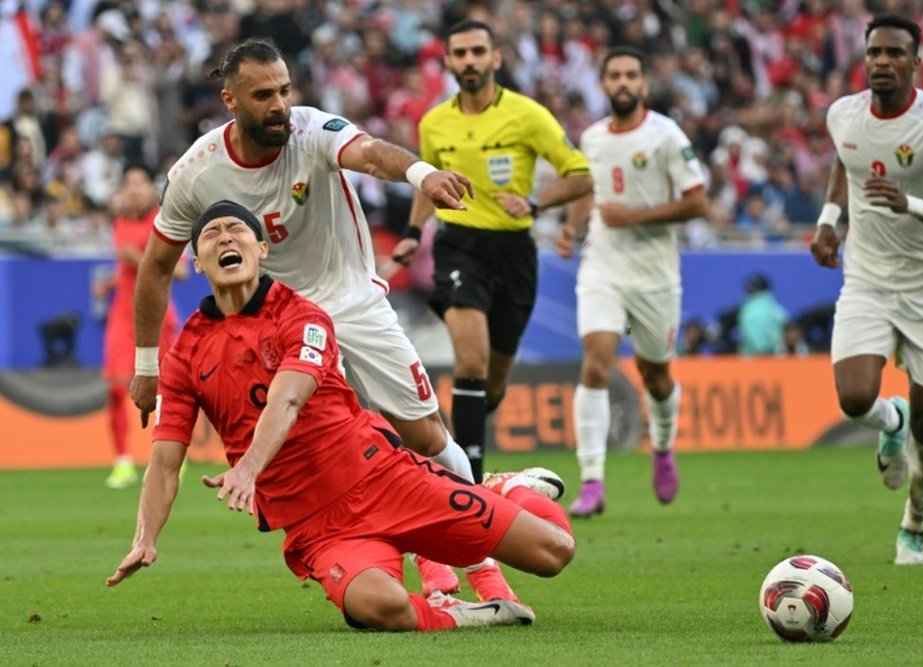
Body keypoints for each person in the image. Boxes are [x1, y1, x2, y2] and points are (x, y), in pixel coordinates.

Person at [128, 37, 512, 600]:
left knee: (423, 434)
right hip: (279, 323)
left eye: (284, 90)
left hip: (352, 301)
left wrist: (422, 175)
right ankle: (441, 568)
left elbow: (371, 152)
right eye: (263, 95)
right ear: (230, 100)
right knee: (351, 458)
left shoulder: (310, 130)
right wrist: (145, 365)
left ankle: (482, 546)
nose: (279, 104)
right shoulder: (196, 173)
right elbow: (156, 267)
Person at [106, 201, 576, 631]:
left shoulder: (302, 315)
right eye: (211, 234)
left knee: (554, 551)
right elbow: (165, 460)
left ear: (262, 248)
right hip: (316, 524)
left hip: (385, 479)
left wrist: (248, 468)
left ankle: (498, 487)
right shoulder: (187, 351)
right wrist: (145, 538)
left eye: (236, 230)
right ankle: (466, 617)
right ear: (197, 262)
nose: (225, 238)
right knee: (381, 608)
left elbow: (286, 400)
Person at [810, 14, 923, 565]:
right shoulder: (845, 114)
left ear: (915, 62)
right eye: (874, 53)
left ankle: (916, 522)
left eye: (894, 53)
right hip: (867, 279)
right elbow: (846, 160)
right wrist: (828, 221)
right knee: (855, 398)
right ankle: (892, 423)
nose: (882, 62)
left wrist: (908, 203)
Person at [393, 19, 592, 483]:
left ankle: (458, 447)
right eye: (459, 53)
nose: (469, 61)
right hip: (459, 245)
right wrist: (411, 231)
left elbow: (580, 172)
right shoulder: (434, 122)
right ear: (447, 62)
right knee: (472, 360)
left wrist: (538, 203)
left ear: (495, 58)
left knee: (494, 378)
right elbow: (428, 182)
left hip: (514, 250)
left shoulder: (527, 115)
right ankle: (470, 484)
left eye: (477, 52)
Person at [553, 47, 709, 517]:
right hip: (602, 265)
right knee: (596, 364)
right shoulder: (593, 138)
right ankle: (592, 481)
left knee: (656, 376)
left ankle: (662, 447)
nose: (623, 82)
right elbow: (587, 189)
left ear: (643, 85)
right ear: (603, 85)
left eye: (631, 75)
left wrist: (634, 215)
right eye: (615, 75)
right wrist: (570, 226)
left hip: (654, 274)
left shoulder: (665, 136)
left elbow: (697, 202)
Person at [94, 164, 187, 489]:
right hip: (122, 314)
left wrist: (141, 258)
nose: (134, 189)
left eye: (140, 182)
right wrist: (110, 282)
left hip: (158, 316)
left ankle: (174, 453)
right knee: (116, 387)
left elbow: (181, 272)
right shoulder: (119, 223)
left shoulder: (163, 223)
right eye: (128, 182)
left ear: (151, 189)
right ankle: (122, 462)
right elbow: (126, 268)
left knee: (168, 391)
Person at [737, 274, 789, 356]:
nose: (747, 287)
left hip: (752, 359)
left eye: (752, 285)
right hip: (776, 357)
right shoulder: (778, 310)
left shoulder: (747, 310)